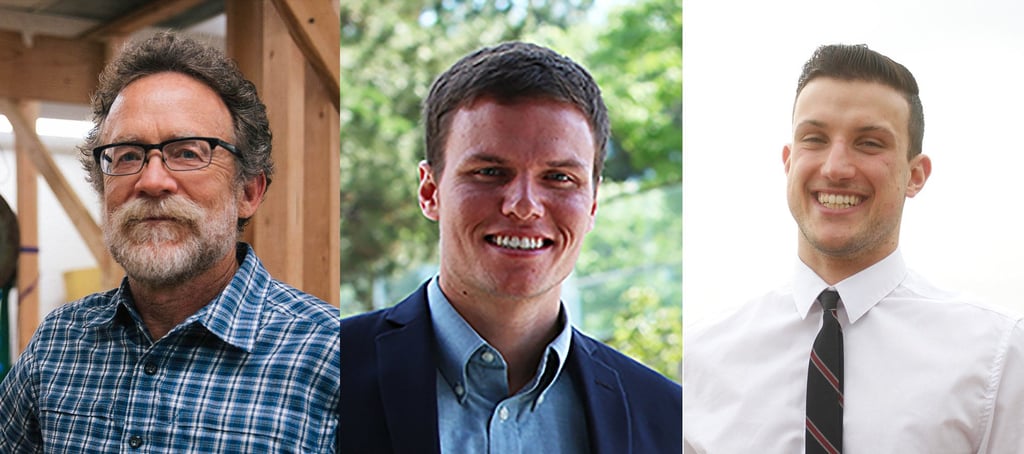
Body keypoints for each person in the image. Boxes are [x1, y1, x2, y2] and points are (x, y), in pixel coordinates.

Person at [0, 32, 340, 452]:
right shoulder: (58, 343)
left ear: (248, 193)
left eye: (188, 153)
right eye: (126, 155)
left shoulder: (333, 358)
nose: (152, 180)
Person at [340, 41, 682, 453]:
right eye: (489, 171)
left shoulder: (667, 417)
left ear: (592, 205)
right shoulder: (322, 372)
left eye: (558, 177)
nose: (523, 206)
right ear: (430, 191)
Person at [683, 44, 1024, 453]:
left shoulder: (998, 356)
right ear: (789, 162)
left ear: (915, 175)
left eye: (869, 143)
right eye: (815, 139)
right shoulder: (704, 358)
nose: (836, 168)